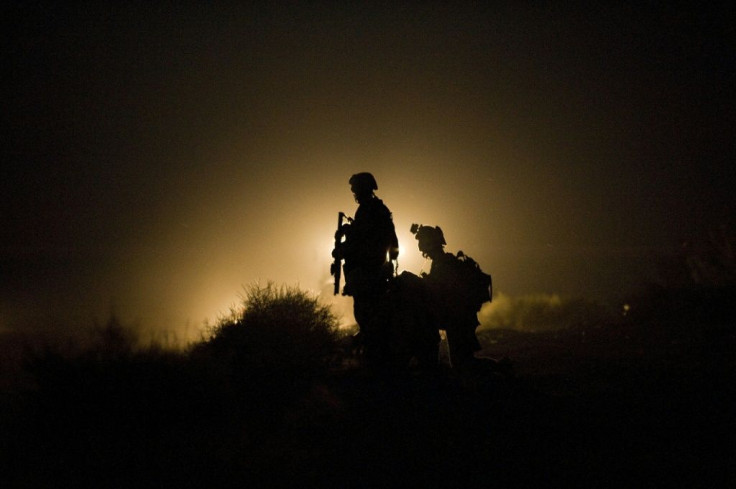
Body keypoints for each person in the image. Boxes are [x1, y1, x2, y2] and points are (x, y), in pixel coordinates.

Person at [334, 172, 399, 368]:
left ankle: (376, 364)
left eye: (355, 189)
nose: (354, 193)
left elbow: (362, 243)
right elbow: (392, 243)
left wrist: (340, 249)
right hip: (375, 274)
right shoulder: (379, 209)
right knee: (374, 320)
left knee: (368, 320)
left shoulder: (367, 211)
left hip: (367, 275)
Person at [411, 224, 483, 371]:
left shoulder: (445, 262)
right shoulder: (440, 262)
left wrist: (427, 282)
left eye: (422, 244)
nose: (420, 249)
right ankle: (500, 368)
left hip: (459, 318)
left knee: (463, 363)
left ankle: (500, 368)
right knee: (463, 363)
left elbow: (446, 289)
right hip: (457, 317)